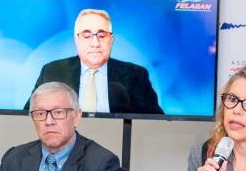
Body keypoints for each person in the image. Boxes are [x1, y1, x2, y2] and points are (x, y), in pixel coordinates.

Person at [25, 9, 164, 114]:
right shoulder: (52, 71)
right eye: (87, 36)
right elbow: (28, 115)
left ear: (111, 39)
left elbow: (156, 121)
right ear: (76, 40)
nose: (95, 43)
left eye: (102, 35)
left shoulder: (136, 75)